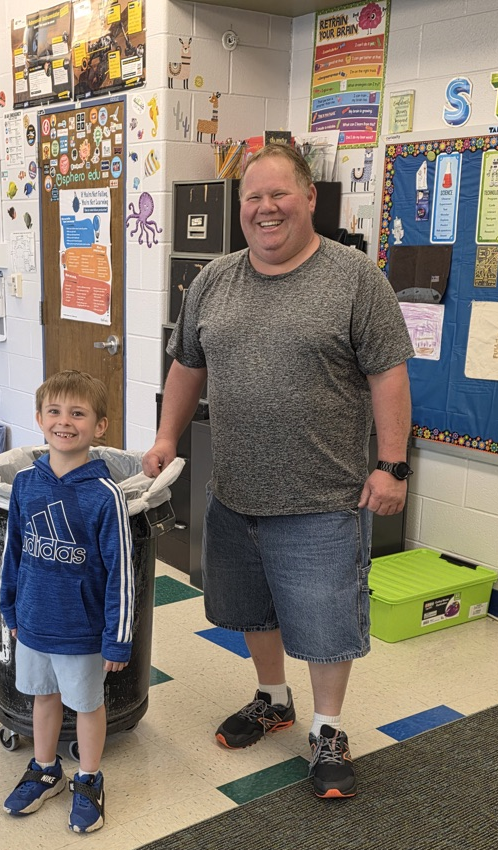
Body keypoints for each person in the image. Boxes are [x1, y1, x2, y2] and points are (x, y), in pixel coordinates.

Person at [143, 143, 414, 799]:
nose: (265, 208)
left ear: (310, 198)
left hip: (323, 495)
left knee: (325, 624)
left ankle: (327, 729)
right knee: (251, 609)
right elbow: (187, 365)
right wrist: (164, 436)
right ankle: (272, 698)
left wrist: (392, 465)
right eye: (252, 198)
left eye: (278, 194)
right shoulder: (215, 279)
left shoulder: (355, 278)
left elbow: (389, 375)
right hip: (234, 493)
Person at [0, 370, 134, 832]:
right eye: (54, 411)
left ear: (99, 427)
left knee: (87, 703)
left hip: (82, 629)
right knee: (43, 697)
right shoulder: (24, 484)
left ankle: (90, 778)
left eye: (78, 413)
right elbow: (13, 552)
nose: (64, 421)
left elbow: (121, 573)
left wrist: (117, 640)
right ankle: (45, 770)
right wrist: (10, 609)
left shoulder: (105, 496)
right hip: (34, 622)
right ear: (39, 419)